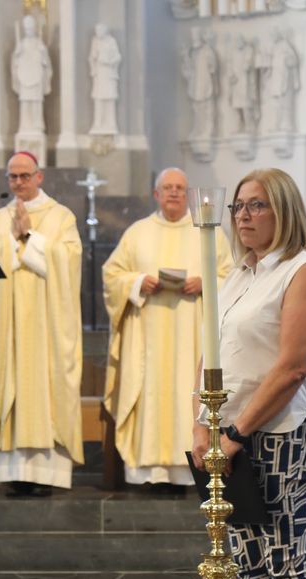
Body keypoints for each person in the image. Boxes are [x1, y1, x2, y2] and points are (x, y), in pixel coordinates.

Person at [189, 168, 306, 579]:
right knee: (250, 571)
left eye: (256, 205)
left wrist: (235, 434)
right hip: (232, 438)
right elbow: (209, 355)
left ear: (284, 211)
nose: (242, 216)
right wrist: (201, 426)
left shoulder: (305, 271)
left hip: (285, 433)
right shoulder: (240, 273)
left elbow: (293, 366)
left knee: (288, 566)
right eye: (238, 206)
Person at [103, 168, 234, 490]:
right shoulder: (137, 232)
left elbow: (232, 277)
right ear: (156, 194)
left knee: (187, 392)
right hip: (147, 337)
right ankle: (150, 472)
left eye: (179, 187)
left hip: (194, 336)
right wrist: (136, 282)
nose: (173, 192)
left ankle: (191, 466)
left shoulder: (208, 231)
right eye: (167, 187)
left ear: (187, 194)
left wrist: (205, 283)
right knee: (152, 392)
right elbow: (112, 275)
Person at [0, 152, 83, 496]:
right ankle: (13, 472)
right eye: (13, 177)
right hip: (7, 326)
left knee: (46, 385)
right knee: (9, 383)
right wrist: (11, 240)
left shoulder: (60, 216)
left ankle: (46, 474)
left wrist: (31, 239)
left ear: (40, 177)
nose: (19, 183)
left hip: (47, 327)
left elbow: (70, 260)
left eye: (25, 176)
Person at [11, 15, 52, 135]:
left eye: (31, 29)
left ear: (34, 29)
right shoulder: (21, 44)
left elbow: (45, 62)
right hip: (25, 77)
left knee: (36, 102)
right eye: (27, 29)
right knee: (25, 102)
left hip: (36, 76)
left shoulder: (39, 44)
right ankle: (25, 125)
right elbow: (15, 63)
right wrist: (17, 55)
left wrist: (43, 52)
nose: (29, 31)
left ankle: (37, 125)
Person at [88, 23, 121, 136]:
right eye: (96, 31)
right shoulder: (95, 42)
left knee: (110, 97)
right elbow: (91, 58)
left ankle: (111, 122)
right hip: (99, 74)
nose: (98, 33)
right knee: (99, 98)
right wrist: (94, 58)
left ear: (104, 31)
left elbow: (117, 56)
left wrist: (110, 62)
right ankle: (98, 122)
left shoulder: (111, 41)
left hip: (109, 73)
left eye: (99, 31)